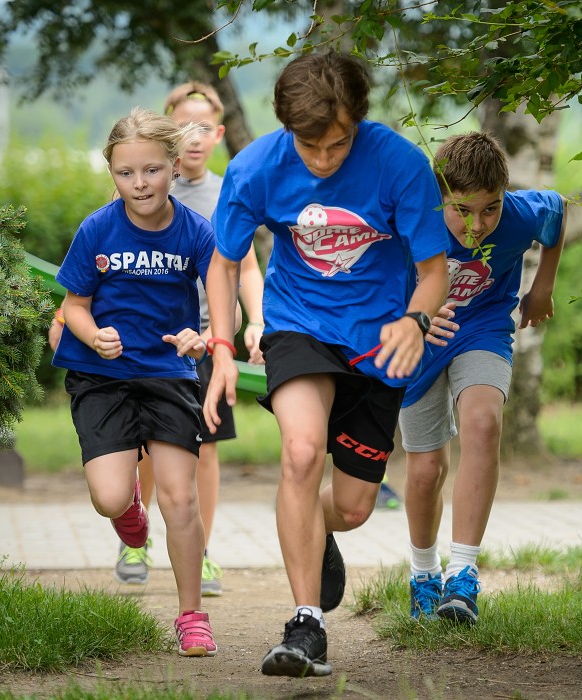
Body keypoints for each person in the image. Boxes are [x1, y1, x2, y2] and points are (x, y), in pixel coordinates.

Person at [202, 51, 450, 678]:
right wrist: (224, 348)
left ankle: (313, 526)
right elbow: (223, 264)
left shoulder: (400, 164)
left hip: (379, 341)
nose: (321, 159)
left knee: (355, 506)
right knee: (302, 453)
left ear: (357, 122)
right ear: (287, 126)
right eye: (308, 145)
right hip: (298, 326)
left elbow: (433, 271)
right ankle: (305, 624)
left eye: (337, 144)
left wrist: (416, 321)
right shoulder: (255, 168)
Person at [52, 107, 218, 657]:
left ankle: (192, 615)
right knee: (109, 496)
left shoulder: (197, 232)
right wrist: (93, 334)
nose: (139, 183)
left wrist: (204, 338)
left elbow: (225, 306)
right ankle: (128, 508)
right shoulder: (97, 229)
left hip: (169, 373)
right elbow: (74, 306)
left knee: (181, 499)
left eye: (151, 170)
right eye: (126, 173)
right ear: (112, 173)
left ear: (174, 166)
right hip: (103, 376)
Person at [399, 132, 567, 624]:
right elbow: (371, 279)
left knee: (482, 423)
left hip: (483, 328)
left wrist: (542, 287)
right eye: (462, 211)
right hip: (420, 343)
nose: (477, 225)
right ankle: (424, 573)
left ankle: (463, 575)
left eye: (490, 209)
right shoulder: (412, 219)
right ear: (440, 198)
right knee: (426, 470)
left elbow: (557, 211)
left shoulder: (518, 215)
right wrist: (413, 317)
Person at [112, 82, 267, 595]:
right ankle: (135, 539)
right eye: (184, 126)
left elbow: (246, 267)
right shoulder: (147, 182)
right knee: (147, 449)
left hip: (205, 340)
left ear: (219, 134)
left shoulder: (227, 194)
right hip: (146, 340)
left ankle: (199, 550)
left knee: (206, 447)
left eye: (204, 127)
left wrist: (254, 320)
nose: (194, 137)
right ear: (167, 132)